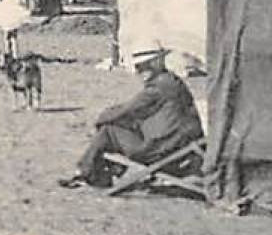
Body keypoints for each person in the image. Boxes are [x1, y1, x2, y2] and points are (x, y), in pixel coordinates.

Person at [61, 47, 203, 189]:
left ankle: (87, 173)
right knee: (119, 126)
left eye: (144, 66)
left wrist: (102, 118)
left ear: (157, 63)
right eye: (138, 66)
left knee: (108, 130)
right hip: (175, 143)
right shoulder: (170, 82)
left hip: (161, 147)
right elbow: (137, 111)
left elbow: (129, 108)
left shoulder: (159, 87)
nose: (139, 71)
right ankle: (99, 172)